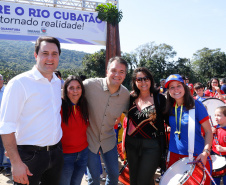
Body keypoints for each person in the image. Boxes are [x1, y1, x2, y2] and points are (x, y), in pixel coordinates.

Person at [0, 36, 63, 185]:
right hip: (29, 157)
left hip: (56, 154)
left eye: (54, 54)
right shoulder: (19, 83)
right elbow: (6, 126)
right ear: (36, 55)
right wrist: (15, 163)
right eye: (45, 53)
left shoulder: (56, 81)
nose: (50, 58)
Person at [83, 56, 130, 185]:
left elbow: (132, 114)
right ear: (107, 71)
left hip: (109, 139)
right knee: (94, 179)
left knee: (114, 175)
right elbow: (68, 93)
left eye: (121, 72)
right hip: (89, 140)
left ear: (125, 75)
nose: (117, 75)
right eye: (114, 70)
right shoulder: (89, 85)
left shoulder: (125, 95)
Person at [164, 74, 213, 185]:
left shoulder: (196, 105)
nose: (175, 89)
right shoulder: (169, 107)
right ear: (168, 91)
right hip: (174, 156)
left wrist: (205, 153)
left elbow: (209, 131)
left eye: (178, 86)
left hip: (197, 156)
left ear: (184, 87)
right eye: (172, 87)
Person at [124, 67, 167, 185]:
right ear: (135, 82)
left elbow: (169, 119)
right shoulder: (131, 98)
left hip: (152, 146)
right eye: (139, 79)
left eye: (146, 79)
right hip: (131, 144)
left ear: (151, 80)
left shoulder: (159, 99)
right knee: (134, 179)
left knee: (144, 180)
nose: (143, 82)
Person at [59, 75, 89, 185]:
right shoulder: (59, 106)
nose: (75, 91)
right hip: (65, 154)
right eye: (71, 88)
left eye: (78, 87)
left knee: (76, 182)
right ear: (66, 90)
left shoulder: (85, 105)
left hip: (83, 153)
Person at [212, 106, 226, 185]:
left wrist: (224, 149)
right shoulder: (214, 128)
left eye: (219, 115)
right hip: (215, 156)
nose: (216, 117)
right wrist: (210, 132)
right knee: (215, 180)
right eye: (215, 115)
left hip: (225, 156)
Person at [0, 74, 11, 176]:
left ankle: (7, 167)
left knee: (6, 146)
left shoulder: (7, 91)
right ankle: (1, 165)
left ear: (2, 81)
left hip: (4, 124)